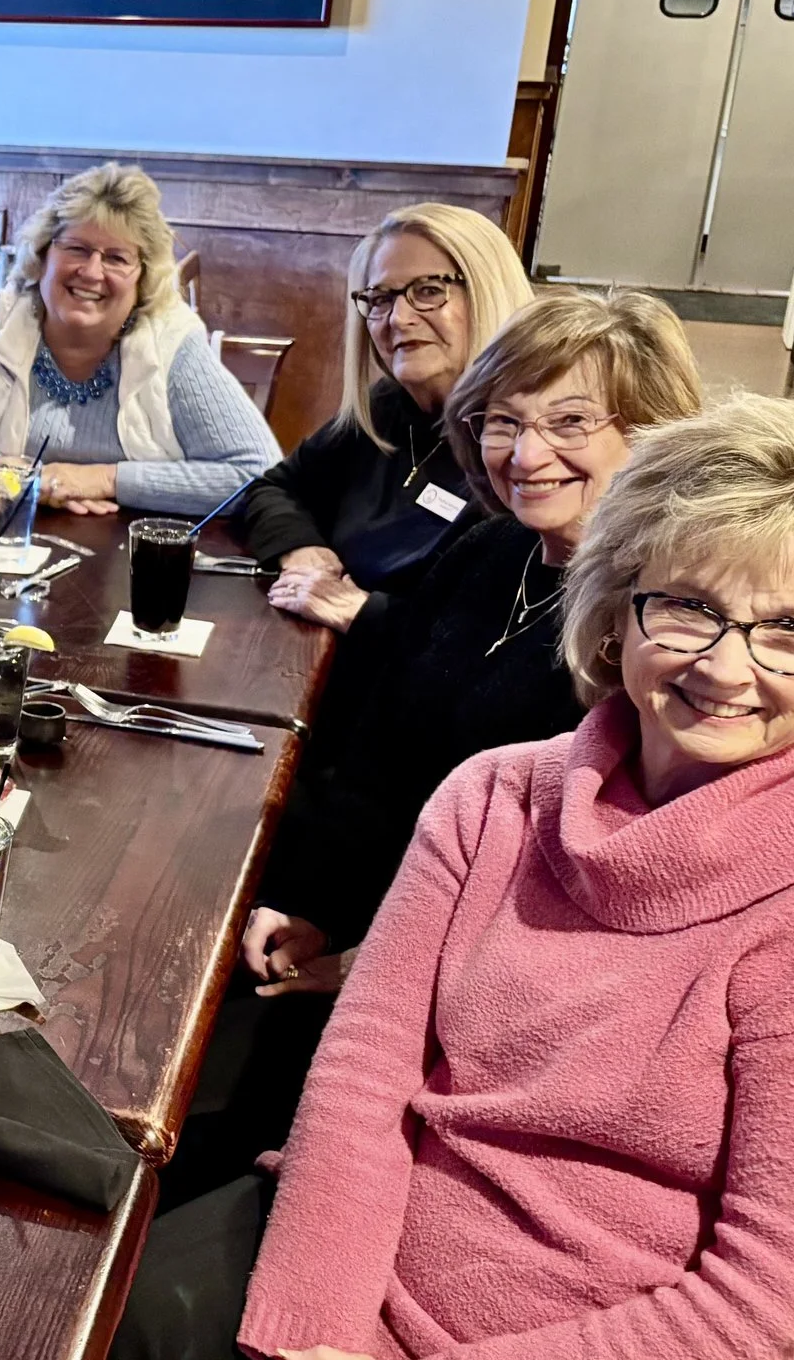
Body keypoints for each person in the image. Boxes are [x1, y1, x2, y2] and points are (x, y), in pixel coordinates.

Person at [87, 393, 794, 1360]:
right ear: (615, 609)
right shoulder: (494, 796)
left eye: (792, 629)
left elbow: (780, 1305)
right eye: (685, 607)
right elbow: (361, 1080)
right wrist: (319, 1354)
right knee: (96, 1344)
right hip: (368, 1257)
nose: (725, 665)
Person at [244, 291, 703, 978]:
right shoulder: (489, 548)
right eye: (503, 420)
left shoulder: (658, 622)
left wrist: (368, 964)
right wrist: (311, 906)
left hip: (483, 972)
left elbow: (570, 882)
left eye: (570, 420)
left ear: (651, 433)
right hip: (373, 916)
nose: (526, 453)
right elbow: (380, 757)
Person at [0, 163, 278, 512]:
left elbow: (256, 475)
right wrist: (27, 479)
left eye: (116, 258)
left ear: (143, 277)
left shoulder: (172, 342)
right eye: (77, 249)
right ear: (44, 254)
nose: (92, 272)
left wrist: (103, 479)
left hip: (126, 573)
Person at [239, 202, 532, 607]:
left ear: (488, 292)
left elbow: (485, 629)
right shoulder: (387, 408)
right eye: (380, 298)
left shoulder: (527, 444)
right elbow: (273, 489)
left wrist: (360, 613)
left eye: (429, 290)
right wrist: (303, 550)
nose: (398, 317)